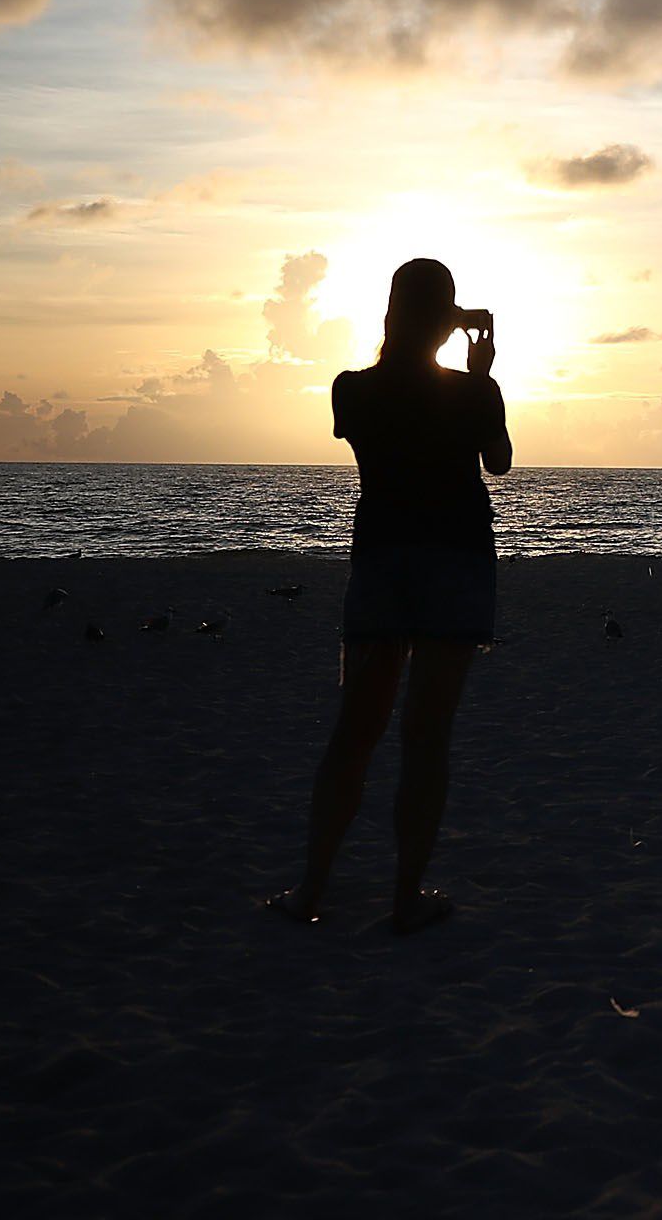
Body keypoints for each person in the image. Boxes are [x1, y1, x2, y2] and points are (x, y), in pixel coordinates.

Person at [265, 257, 511, 934]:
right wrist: (481, 376)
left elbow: (379, 441)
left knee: (355, 733)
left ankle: (309, 892)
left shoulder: (353, 391)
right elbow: (500, 461)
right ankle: (405, 900)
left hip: (383, 559)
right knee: (426, 738)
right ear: (447, 318)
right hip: (458, 560)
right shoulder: (473, 394)